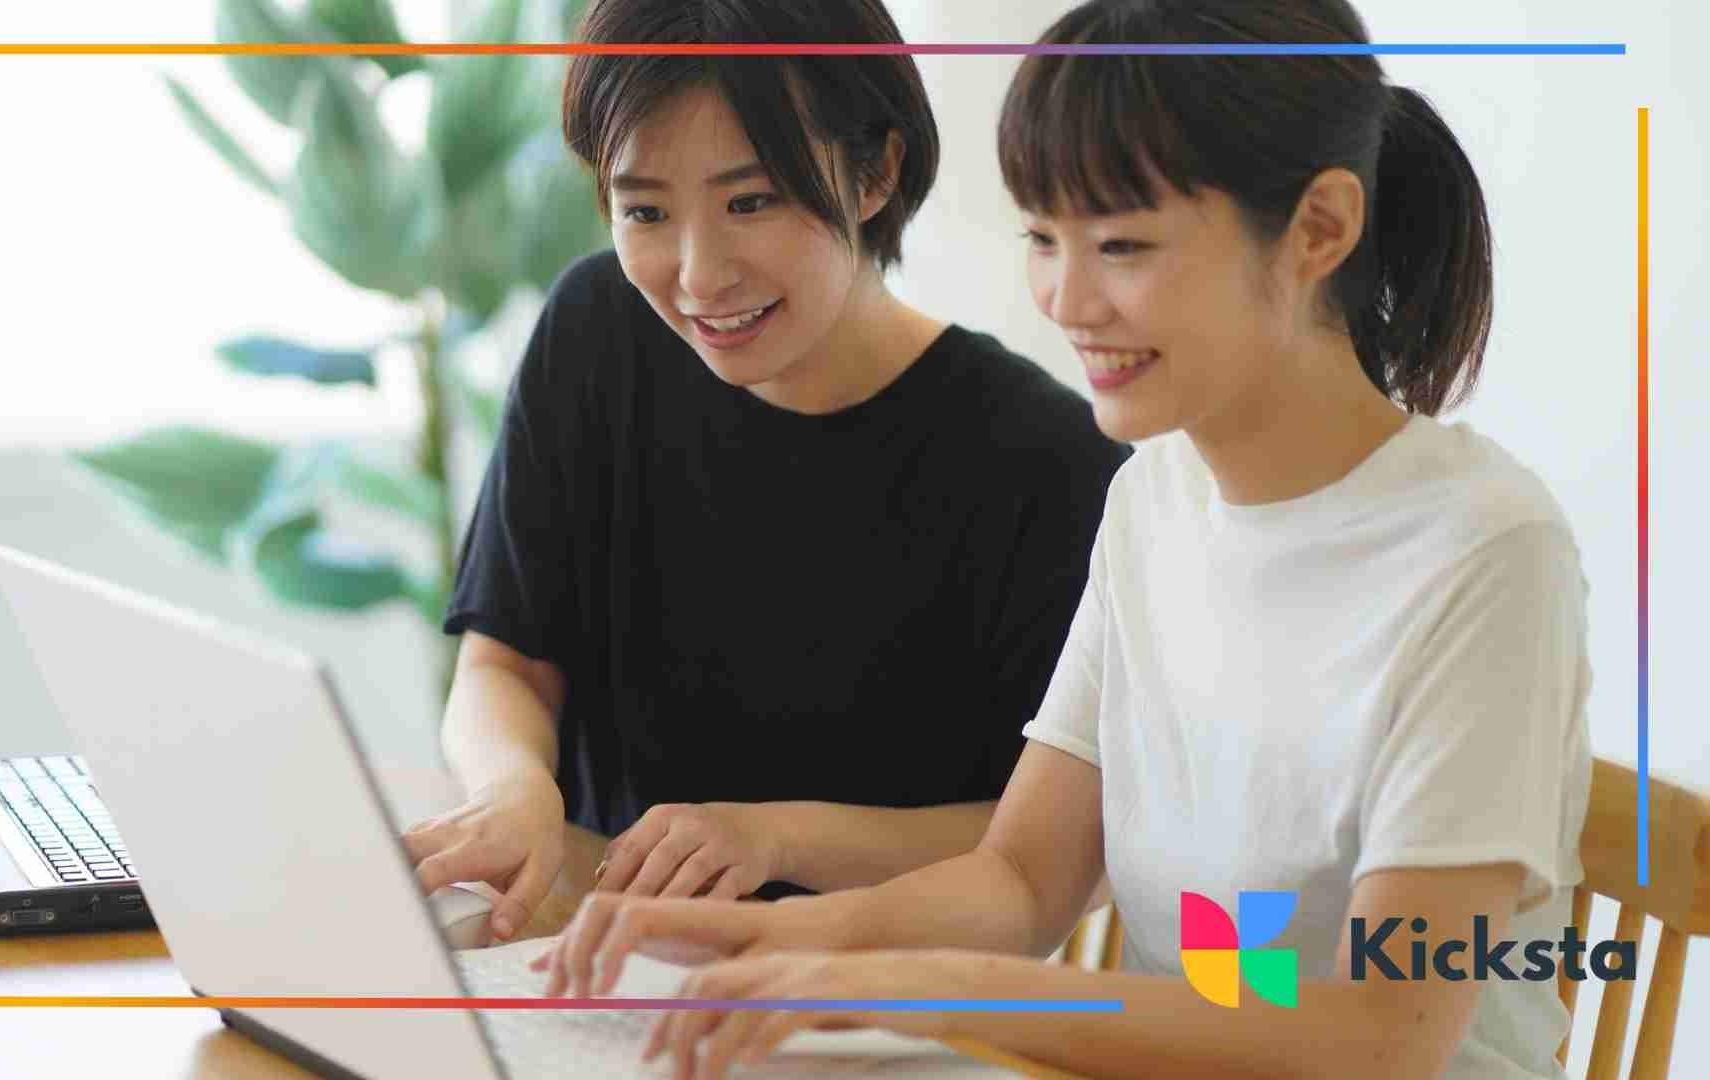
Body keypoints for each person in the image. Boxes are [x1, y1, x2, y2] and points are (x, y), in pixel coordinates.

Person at [535, 1, 1596, 1077]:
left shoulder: (1484, 555)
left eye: (1123, 245)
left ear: (1320, 230)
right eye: (1045, 238)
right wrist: (756, 942)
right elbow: (1021, 883)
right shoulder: (1153, 504)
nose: (1067, 299)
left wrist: (936, 985)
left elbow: (1379, 1039)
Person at [405, 0, 1128, 942]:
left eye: (751, 201)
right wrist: (513, 790)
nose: (699, 276)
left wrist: (776, 839)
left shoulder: (1046, 462)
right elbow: (504, 660)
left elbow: (1065, 852)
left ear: (875, 171)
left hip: (868, 1003)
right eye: (646, 211)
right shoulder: (597, 335)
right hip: (591, 961)